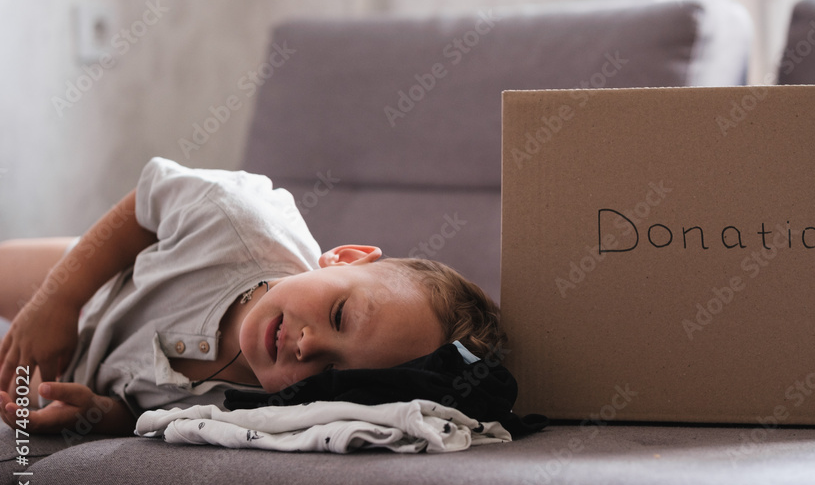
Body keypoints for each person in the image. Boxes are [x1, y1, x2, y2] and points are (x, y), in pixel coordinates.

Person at [0, 157, 504, 436]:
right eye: (339, 314)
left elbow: (140, 413)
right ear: (345, 258)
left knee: (18, 395)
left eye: (331, 373)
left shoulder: (259, 409)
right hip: (100, 282)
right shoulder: (240, 220)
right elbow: (143, 207)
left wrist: (96, 412)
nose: (309, 347)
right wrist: (57, 301)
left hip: (84, 369)